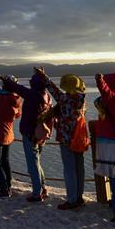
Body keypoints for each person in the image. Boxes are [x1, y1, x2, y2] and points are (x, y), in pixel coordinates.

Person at [35, 67, 87, 210]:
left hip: (66, 139)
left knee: (69, 170)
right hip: (79, 139)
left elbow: (53, 90)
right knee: (79, 169)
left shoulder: (65, 99)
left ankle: (71, 200)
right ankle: (79, 197)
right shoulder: (81, 100)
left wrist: (43, 75)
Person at [0, 72, 52, 202]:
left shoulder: (32, 94)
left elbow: (18, 89)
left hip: (30, 133)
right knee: (37, 161)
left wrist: (6, 80)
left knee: (32, 164)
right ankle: (43, 187)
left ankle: (37, 193)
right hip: (41, 134)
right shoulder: (47, 96)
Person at [93, 73, 115, 222]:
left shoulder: (112, 99)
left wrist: (99, 81)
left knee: (113, 174)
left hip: (109, 141)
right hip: (114, 141)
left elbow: (105, 91)